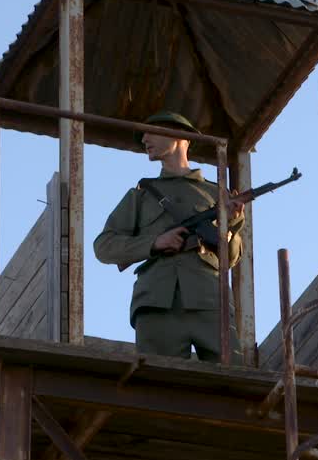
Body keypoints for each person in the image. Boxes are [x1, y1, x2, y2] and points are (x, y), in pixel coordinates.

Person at [93, 111, 244, 363]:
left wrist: (231, 222)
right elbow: (104, 246)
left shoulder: (216, 194)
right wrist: (154, 243)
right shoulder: (141, 195)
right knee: (158, 380)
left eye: (151, 132)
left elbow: (231, 258)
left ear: (179, 135)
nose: (144, 139)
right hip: (157, 302)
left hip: (210, 300)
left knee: (233, 374)